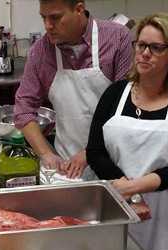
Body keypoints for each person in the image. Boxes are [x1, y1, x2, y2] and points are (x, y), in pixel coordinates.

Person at [86, 13, 168, 250]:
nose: (145, 53)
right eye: (141, 45)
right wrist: (127, 189)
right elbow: (95, 151)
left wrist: (141, 185)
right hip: (118, 203)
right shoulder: (114, 94)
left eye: (156, 47)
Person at [14, 0, 133, 179]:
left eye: (55, 17)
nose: (47, 26)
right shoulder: (41, 50)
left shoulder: (117, 38)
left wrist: (89, 153)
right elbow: (23, 109)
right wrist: (46, 154)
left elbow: (128, 106)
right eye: (43, 17)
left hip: (115, 166)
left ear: (79, 9)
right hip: (67, 169)